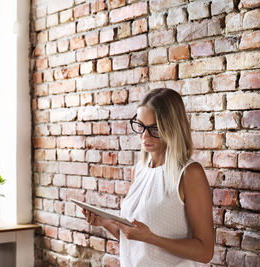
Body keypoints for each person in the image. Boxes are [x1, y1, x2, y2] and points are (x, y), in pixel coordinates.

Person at [83, 88, 214, 266]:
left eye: (154, 128)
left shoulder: (190, 173)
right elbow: (136, 244)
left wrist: (151, 238)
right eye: (140, 126)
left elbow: (205, 252)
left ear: (172, 127)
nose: (144, 135)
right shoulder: (139, 170)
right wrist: (106, 223)